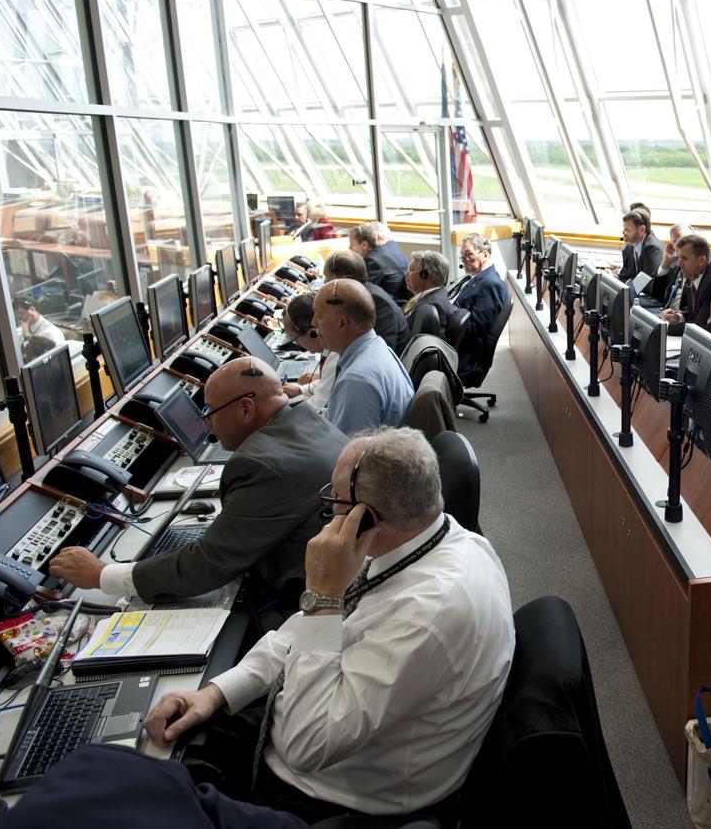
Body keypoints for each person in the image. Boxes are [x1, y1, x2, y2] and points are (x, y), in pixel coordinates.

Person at [142, 428, 515, 823]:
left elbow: (304, 747)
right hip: (331, 735)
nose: (329, 512)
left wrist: (323, 594)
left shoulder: (425, 614)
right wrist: (217, 693)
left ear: (364, 518)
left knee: (157, 800)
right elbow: (305, 632)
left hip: (336, 797)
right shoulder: (435, 538)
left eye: (333, 500)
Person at [50, 359, 345, 610]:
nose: (209, 426)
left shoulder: (261, 465)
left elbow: (209, 564)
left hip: (301, 602)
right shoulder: (307, 420)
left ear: (245, 408)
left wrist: (102, 575)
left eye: (210, 413)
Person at [313, 279, 414, 436]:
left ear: (342, 323)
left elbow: (346, 454)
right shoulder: (377, 347)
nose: (313, 323)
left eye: (318, 316)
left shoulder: (356, 380)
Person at [323, 250, 411, 354]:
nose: (324, 282)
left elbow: (379, 351)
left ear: (338, 278)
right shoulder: (362, 293)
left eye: (326, 276)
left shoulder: (375, 301)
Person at [452, 233, 508, 376]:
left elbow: (475, 329)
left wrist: (447, 313)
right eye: (462, 256)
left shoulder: (491, 284)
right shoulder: (477, 278)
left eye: (469, 255)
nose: (464, 261)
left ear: (484, 254)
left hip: (465, 354)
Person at [280, 293, 338, 413]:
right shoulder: (330, 350)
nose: (296, 344)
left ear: (313, 333)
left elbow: (317, 407)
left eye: (294, 338)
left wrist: (275, 408)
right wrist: (300, 390)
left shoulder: (336, 357)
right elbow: (326, 385)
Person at [658, 234, 711, 336]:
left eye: (684, 258)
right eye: (679, 258)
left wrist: (664, 328)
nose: (679, 263)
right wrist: (679, 317)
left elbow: (700, 326)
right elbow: (694, 313)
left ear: (701, 261)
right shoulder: (692, 273)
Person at [403, 250, 458, 338]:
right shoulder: (430, 297)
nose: (406, 274)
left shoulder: (435, 307)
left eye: (411, 270)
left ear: (425, 275)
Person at [348, 222, 408, 298]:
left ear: (364, 245)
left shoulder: (372, 261)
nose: (349, 248)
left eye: (352, 245)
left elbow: (362, 290)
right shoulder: (380, 253)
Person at [616, 210, 663, 283]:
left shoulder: (652, 248)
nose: (623, 232)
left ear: (642, 229)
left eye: (627, 229)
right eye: (624, 228)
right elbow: (630, 274)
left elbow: (645, 284)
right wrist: (613, 277)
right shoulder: (633, 243)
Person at [648, 222, 689, 303]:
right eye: (676, 242)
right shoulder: (674, 264)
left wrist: (679, 315)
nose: (680, 245)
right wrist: (665, 263)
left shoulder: (651, 248)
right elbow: (657, 296)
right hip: (665, 310)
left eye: (683, 240)